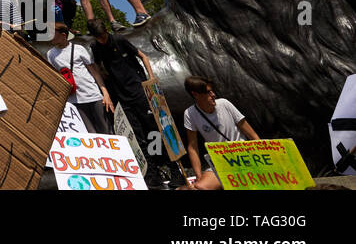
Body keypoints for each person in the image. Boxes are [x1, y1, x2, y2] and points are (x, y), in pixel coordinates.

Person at [87, 19, 178, 187]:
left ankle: (172, 168)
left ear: (106, 31)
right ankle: (152, 174)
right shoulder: (95, 48)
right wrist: (105, 90)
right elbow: (98, 69)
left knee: (153, 130)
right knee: (137, 135)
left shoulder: (119, 40)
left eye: (103, 36)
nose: (102, 40)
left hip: (138, 90)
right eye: (98, 38)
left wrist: (151, 79)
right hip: (121, 95)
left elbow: (143, 56)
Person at [181, 76, 260, 190]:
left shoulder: (224, 104)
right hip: (221, 162)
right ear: (195, 94)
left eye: (212, 91)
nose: (213, 95)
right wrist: (198, 176)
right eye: (208, 93)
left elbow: (252, 135)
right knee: (199, 187)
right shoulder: (190, 113)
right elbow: (193, 147)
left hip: (244, 157)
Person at [46, 22, 113, 134]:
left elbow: (95, 73)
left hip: (92, 95)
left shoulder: (79, 49)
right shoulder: (50, 54)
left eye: (52, 33)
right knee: (89, 133)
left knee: (106, 129)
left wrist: (105, 94)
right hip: (74, 100)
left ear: (63, 35)